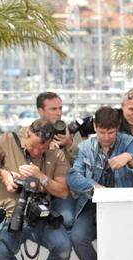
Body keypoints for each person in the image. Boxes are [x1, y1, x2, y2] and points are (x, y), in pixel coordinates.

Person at [67, 106, 133, 260]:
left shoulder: (128, 142)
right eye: (102, 132)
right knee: (78, 237)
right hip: (91, 205)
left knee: (122, 242)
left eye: (111, 132)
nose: (106, 137)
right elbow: (72, 176)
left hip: (121, 206)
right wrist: (93, 186)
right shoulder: (85, 147)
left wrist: (130, 159)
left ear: (117, 128)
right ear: (94, 127)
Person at [0, 119, 72, 260]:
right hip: (12, 215)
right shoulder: (8, 140)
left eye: (42, 148)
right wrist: (4, 174)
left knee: (63, 246)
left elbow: (63, 192)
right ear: (27, 134)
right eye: (33, 147)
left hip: (41, 215)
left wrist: (40, 177)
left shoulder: (56, 154)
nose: (37, 152)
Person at [79, 89, 133, 187]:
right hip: (116, 174)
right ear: (122, 106)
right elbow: (81, 126)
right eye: (131, 109)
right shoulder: (112, 117)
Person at [32, 92, 78, 229]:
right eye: (53, 109)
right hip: (38, 190)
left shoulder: (70, 132)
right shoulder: (30, 132)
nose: (58, 113)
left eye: (60, 108)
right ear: (40, 111)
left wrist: (69, 144)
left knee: (68, 218)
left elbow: (82, 163)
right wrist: (43, 146)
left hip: (62, 190)